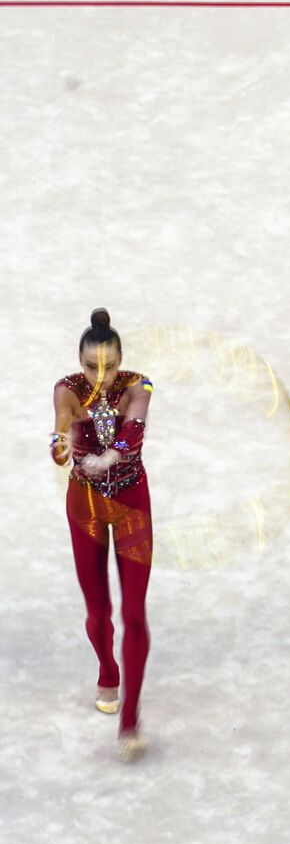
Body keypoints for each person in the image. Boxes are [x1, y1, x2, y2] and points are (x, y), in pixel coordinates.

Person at [51, 309, 154, 761]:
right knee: (99, 611)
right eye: (92, 366)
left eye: (109, 366)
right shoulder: (67, 388)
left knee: (134, 613)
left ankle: (129, 722)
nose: (101, 375)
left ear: (121, 361)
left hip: (131, 503)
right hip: (86, 507)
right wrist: (60, 444)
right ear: (80, 363)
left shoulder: (139, 384)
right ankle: (108, 670)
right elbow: (61, 424)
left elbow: (134, 426)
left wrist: (111, 455)